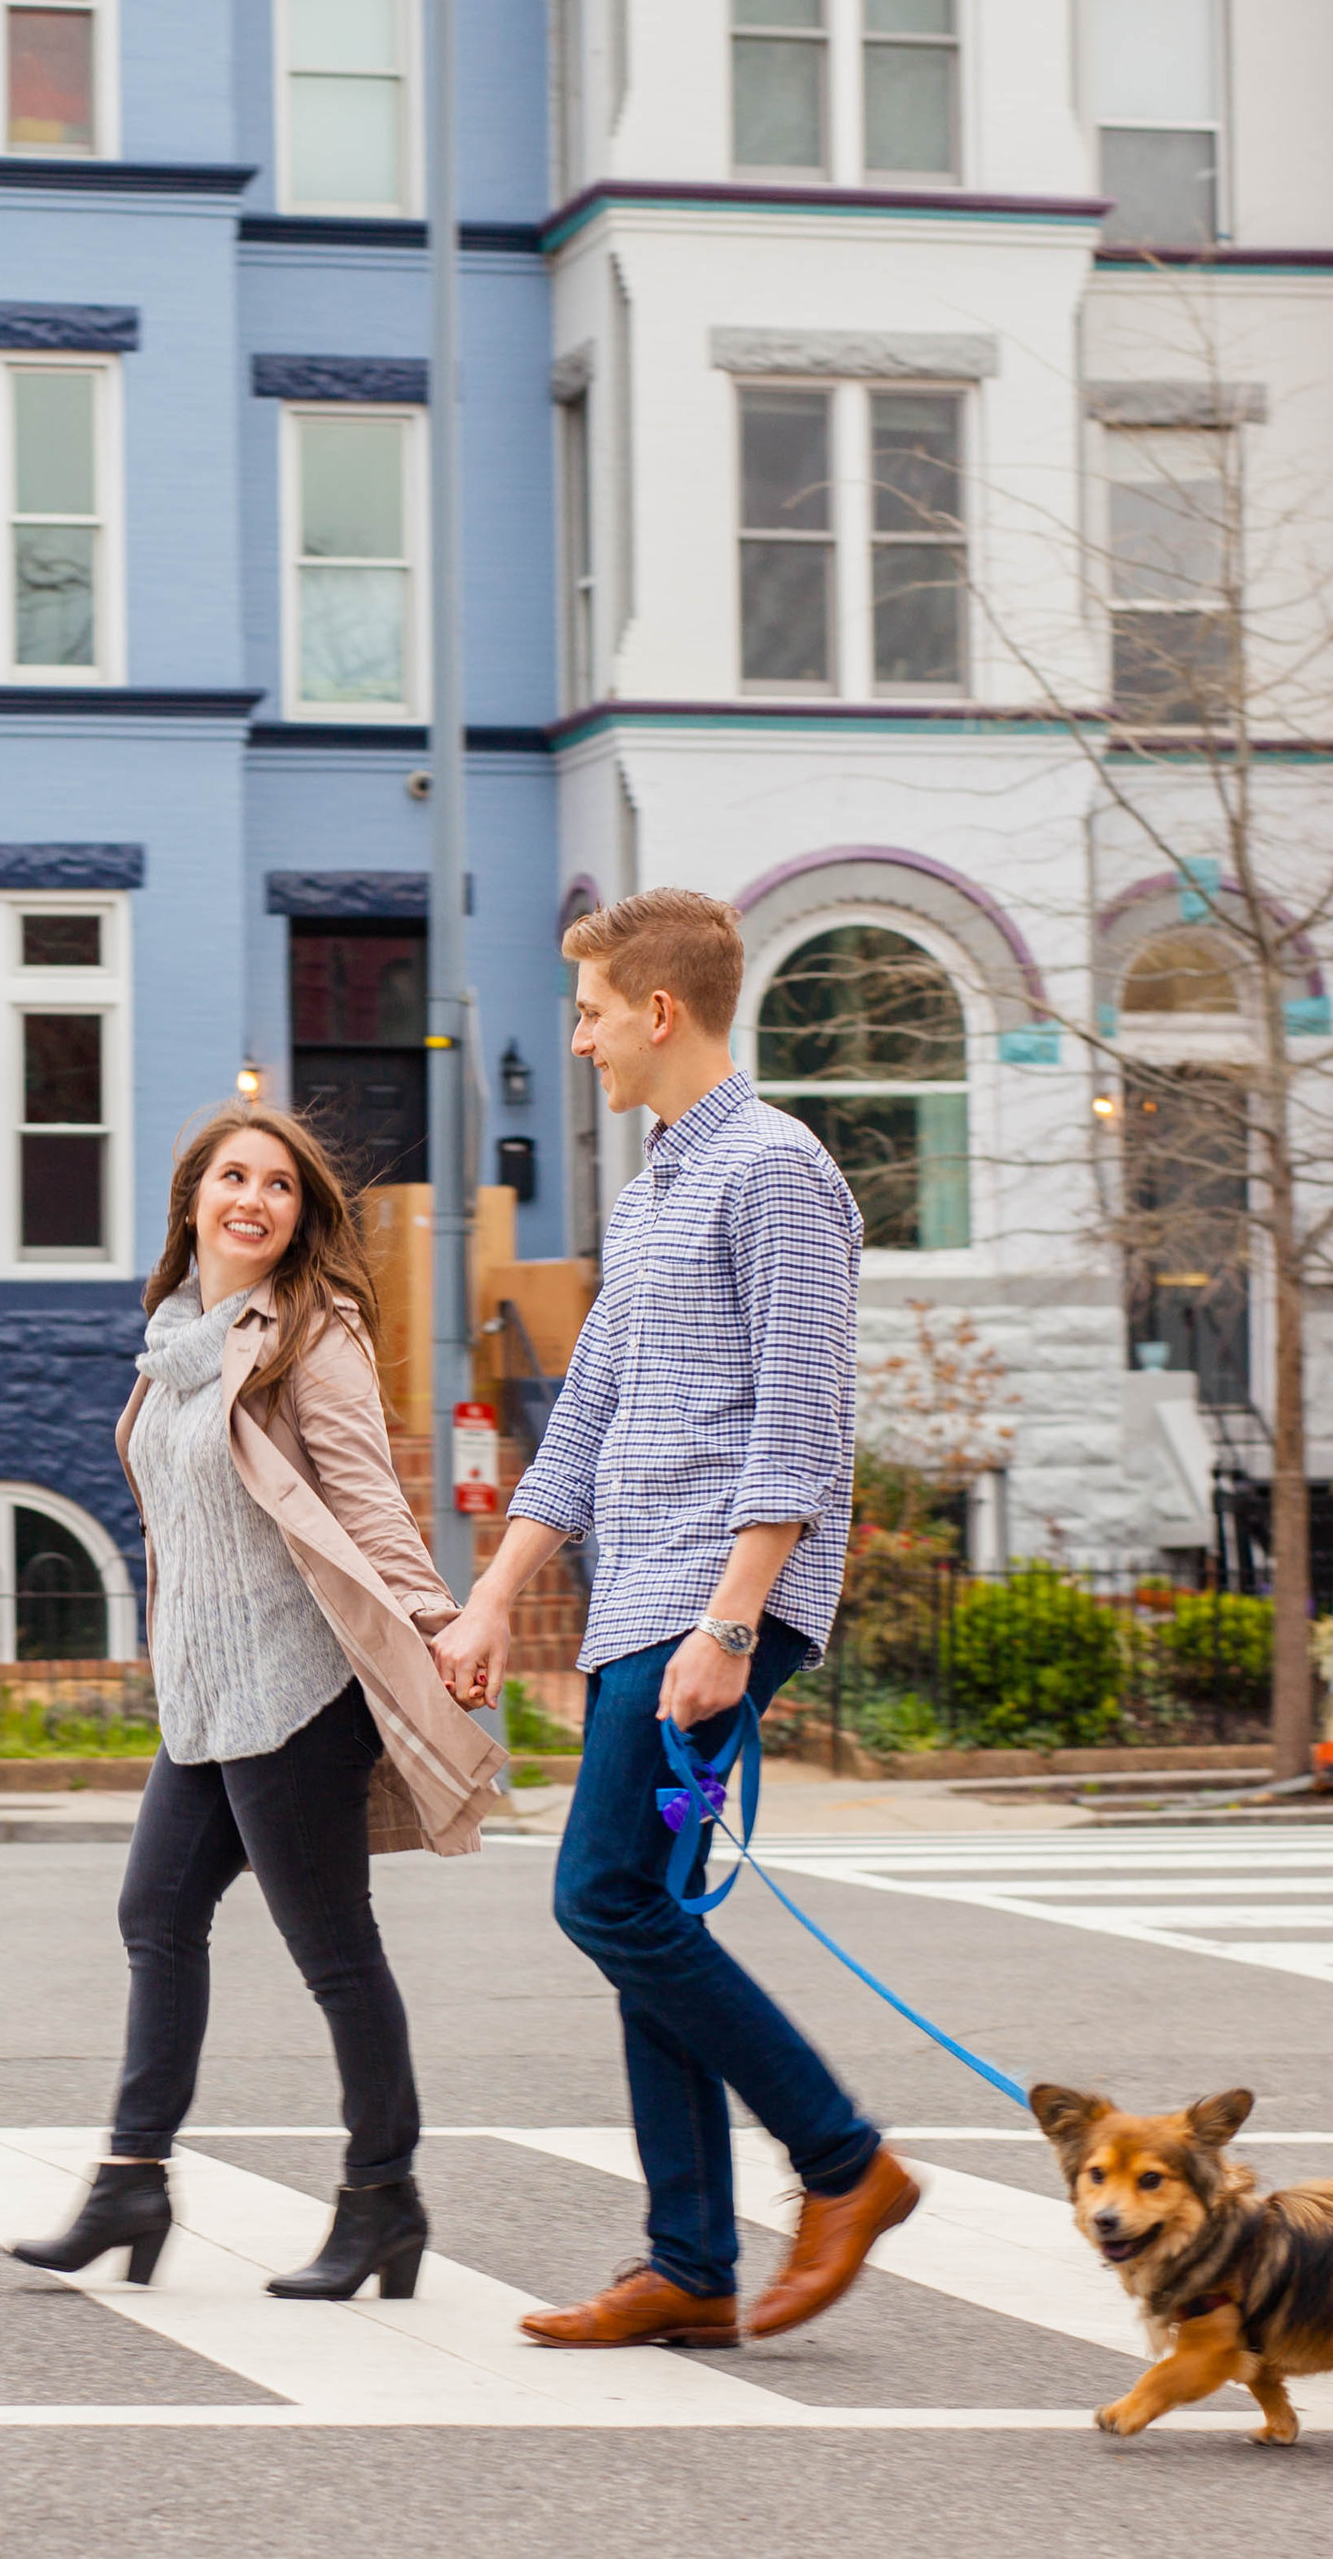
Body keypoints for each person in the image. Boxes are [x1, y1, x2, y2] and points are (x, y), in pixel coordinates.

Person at [430, 886, 913, 2350]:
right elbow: (586, 1417)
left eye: (586, 1012)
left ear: (657, 1010)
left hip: (710, 1598)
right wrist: (494, 1599)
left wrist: (729, 1621)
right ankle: (690, 2259)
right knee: (643, 1902)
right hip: (644, 1595)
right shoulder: (652, 1192)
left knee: (607, 1896)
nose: (574, 1039)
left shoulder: (776, 1171)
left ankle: (844, 2160)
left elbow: (804, 1421)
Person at [8, 1103, 509, 2302]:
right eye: (233, 1177)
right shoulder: (175, 1340)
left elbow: (367, 1495)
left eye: (278, 1186)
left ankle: (383, 2199)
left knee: (334, 1953)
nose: (254, 1199)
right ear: (193, 1200)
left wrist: (438, 1619)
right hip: (205, 1693)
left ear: (299, 1217)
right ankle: (132, 2179)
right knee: (155, 1916)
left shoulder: (310, 1337)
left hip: (296, 1692)